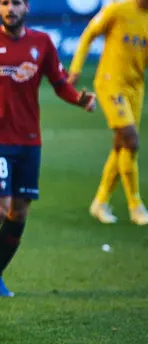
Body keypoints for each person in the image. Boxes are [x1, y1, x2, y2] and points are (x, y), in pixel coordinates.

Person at [0, 0, 96, 300]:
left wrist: (79, 99)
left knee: (20, 211)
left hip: (28, 140)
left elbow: (59, 83)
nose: (9, 9)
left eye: (16, 3)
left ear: (26, 7)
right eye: (4, 3)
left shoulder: (42, 43)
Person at [68, 0, 148, 226]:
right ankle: (135, 206)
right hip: (110, 82)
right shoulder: (118, 9)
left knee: (122, 144)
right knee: (131, 140)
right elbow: (89, 34)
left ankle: (101, 202)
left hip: (136, 87)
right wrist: (75, 69)